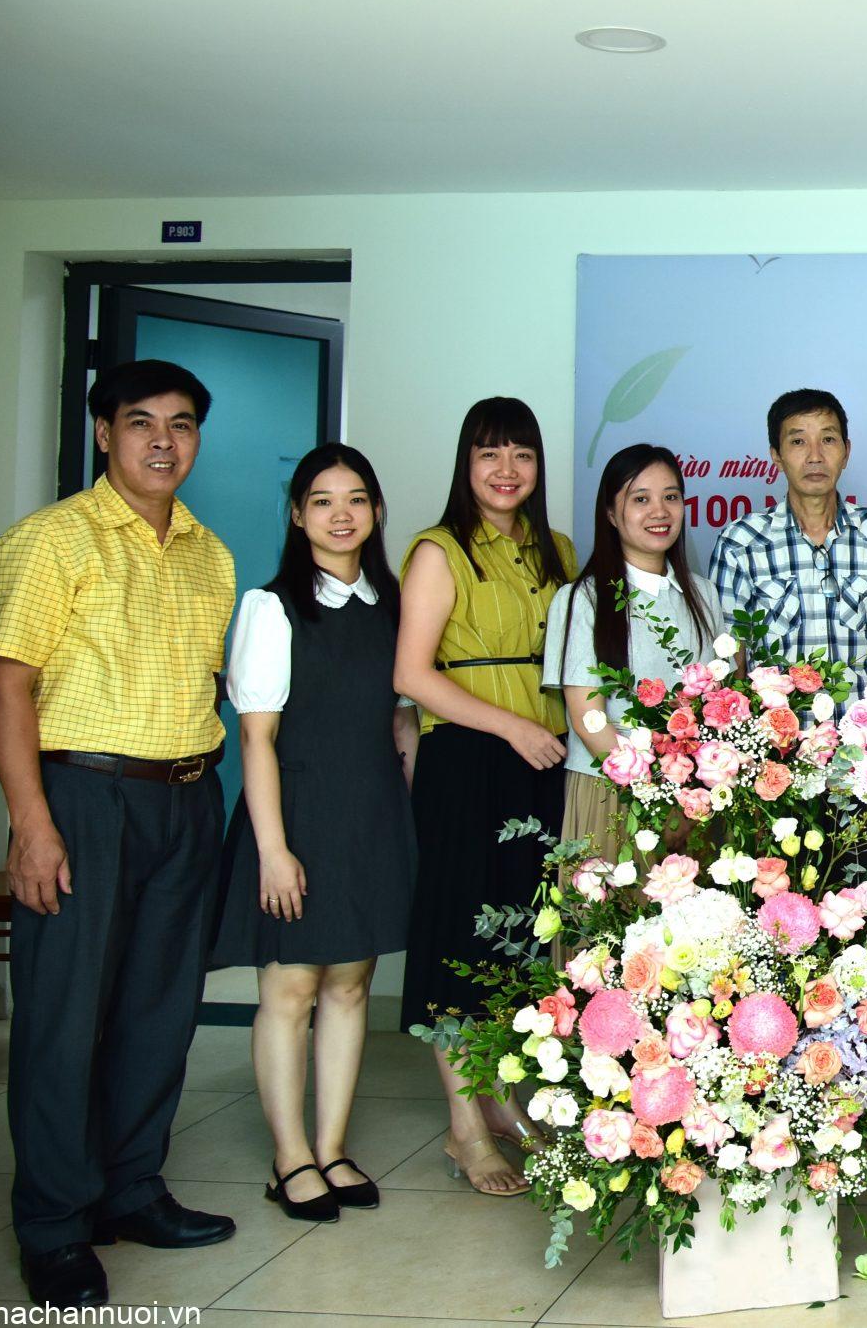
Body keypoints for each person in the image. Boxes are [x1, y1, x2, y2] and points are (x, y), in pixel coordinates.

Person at [0, 360, 238, 1306]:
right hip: (83, 798)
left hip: (187, 797)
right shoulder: (51, 540)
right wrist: (31, 823)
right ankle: (53, 1223)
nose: (163, 441)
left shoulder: (212, 554)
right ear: (103, 433)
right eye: (140, 422)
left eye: (182, 423)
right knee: (64, 1014)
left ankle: (130, 1189)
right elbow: (6, 687)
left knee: (158, 1010)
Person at [207, 444, 417, 1222]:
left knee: (350, 985)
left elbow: (402, 720)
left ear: (376, 511)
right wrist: (272, 849)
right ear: (297, 514)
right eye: (321, 500)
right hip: (295, 815)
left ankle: (331, 1146)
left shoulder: (392, 603)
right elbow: (255, 737)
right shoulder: (272, 607)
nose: (340, 514)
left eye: (356, 498)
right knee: (291, 990)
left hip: (369, 816)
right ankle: (289, 1155)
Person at [395, 397, 573, 1197]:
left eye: (521, 454)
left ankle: (501, 1097)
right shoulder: (439, 550)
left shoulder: (557, 549)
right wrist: (510, 726)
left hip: (544, 760)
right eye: (489, 453)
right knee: (461, 940)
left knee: (521, 941)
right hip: (469, 759)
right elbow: (411, 673)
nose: (507, 470)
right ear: (466, 463)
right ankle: (464, 1124)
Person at [546, 444, 721, 860]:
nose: (660, 511)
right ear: (611, 513)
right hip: (613, 793)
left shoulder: (704, 595)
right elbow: (588, 718)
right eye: (640, 499)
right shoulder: (582, 600)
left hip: (696, 799)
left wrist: (694, 793)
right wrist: (654, 797)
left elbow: (720, 707)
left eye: (671, 497)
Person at [709, 388, 867, 681]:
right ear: (777, 455)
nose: (815, 456)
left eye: (828, 440)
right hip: (777, 712)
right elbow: (729, 658)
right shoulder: (741, 542)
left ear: (846, 451)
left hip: (866, 710)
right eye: (798, 441)